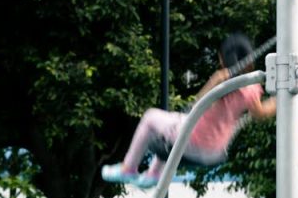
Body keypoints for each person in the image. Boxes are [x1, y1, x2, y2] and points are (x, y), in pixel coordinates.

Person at [101, 33, 276, 188]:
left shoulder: (221, 81)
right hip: (214, 151)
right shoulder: (252, 88)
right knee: (172, 130)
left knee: (151, 117)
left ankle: (129, 168)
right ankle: (153, 174)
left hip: (192, 141)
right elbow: (260, 114)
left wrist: (215, 81)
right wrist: (278, 101)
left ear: (223, 59)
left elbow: (198, 103)